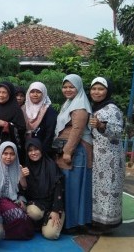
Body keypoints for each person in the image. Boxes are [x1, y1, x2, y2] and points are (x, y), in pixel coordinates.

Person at [54, 74, 93, 233]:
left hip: (77, 152)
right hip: (68, 150)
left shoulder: (80, 106)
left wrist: (68, 152)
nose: (68, 90)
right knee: (68, 186)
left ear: (79, 88)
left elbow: (77, 130)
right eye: (65, 86)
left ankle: (75, 223)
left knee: (74, 187)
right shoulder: (70, 103)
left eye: (72, 87)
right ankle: (69, 221)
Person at [88, 77, 125, 235]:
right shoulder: (95, 107)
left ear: (107, 91)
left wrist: (102, 126)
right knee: (97, 191)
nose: (96, 92)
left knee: (108, 191)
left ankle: (106, 225)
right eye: (94, 89)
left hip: (111, 159)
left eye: (100, 89)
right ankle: (97, 222)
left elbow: (118, 131)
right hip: (98, 158)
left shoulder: (112, 109)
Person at [0, 141, 34, 240]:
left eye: (12, 154)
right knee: (19, 216)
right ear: (0, 154)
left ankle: (6, 231)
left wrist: (21, 200)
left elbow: (23, 189)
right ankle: (1, 232)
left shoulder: (18, 168)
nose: (9, 157)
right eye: (5, 154)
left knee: (27, 221)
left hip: (14, 200)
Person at [24, 138, 65, 240]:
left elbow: (58, 189)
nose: (33, 153)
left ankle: (46, 221)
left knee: (51, 234)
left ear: (41, 150)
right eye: (30, 150)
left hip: (53, 205)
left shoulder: (51, 165)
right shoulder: (25, 168)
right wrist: (21, 177)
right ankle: (39, 222)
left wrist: (56, 210)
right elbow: (23, 191)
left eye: (36, 149)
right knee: (33, 212)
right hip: (36, 205)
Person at [0, 82, 26, 163]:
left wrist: (5, 124)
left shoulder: (15, 110)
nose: (0, 95)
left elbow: (21, 129)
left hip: (9, 151)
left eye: (4, 92)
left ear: (10, 94)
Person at [21, 82, 58, 157]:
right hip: (25, 148)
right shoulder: (22, 109)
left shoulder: (48, 110)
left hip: (42, 149)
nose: (35, 94)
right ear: (28, 93)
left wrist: (43, 150)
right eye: (32, 92)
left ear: (44, 93)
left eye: (38, 92)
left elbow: (50, 133)